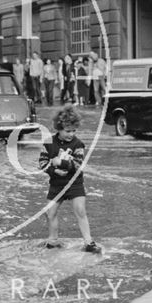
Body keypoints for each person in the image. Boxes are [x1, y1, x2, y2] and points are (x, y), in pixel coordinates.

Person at [39, 105, 101, 253]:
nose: (71, 134)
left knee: (80, 210)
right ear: (58, 128)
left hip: (75, 184)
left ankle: (89, 242)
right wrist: (54, 171)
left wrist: (61, 163)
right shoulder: (48, 142)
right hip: (56, 184)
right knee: (50, 213)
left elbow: (78, 165)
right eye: (67, 131)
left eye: (74, 131)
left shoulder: (78, 144)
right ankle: (53, 240)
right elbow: (42, 163)